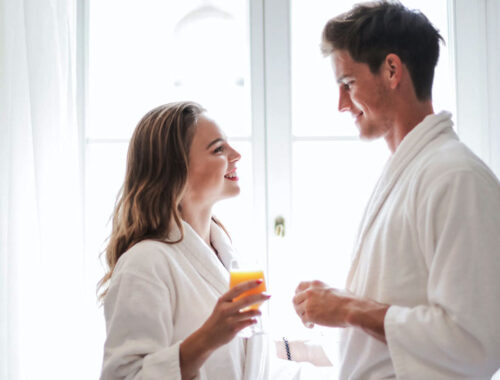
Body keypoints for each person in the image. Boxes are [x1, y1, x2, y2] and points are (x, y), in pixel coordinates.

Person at [292, 2, 500, 379]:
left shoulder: (456, 178)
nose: (341, 104)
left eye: (348, 84)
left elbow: (477, 343)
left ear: (391, 70)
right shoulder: (412, 172)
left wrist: (348, 309)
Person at [98, 101, 334, 380]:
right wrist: (207, 338)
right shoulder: (144, 263)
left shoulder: (232, 260)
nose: (236, 155)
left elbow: (251, 368)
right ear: (177, 168)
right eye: (218, 149)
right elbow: (125, 377)